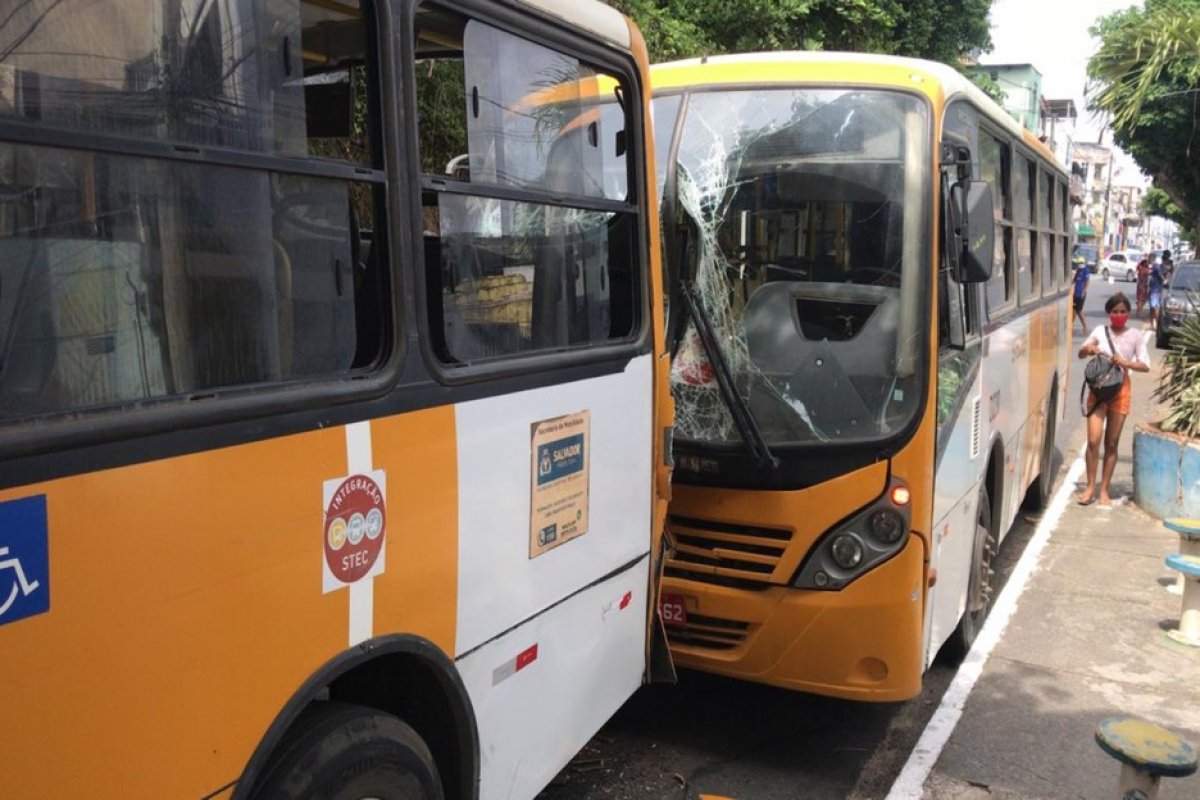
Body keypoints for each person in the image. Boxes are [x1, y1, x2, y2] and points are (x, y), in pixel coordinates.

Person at [1077, 293, 1150, 508]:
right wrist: (1089, 349)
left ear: (1128, 313)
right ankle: (1090, 486)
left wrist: (1126, 362)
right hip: (1099, 391)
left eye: (1123, 311)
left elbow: (1145, 365)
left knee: (1112, 443)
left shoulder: (1135, 335)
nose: (1119, 315)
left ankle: (1104, 490)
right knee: (1093, 440)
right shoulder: (1101, 331)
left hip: (1120, 390)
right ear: (1109, 313)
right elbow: (1082, 352)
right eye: (1115, 311)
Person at [1071, 258, 1090, 333]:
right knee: (1073, 310)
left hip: (1081, 294)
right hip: (1075, 293)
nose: (1079, 265)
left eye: (1080, 263)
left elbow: (1087, 282)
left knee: (1078, 310)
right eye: (1078, 263)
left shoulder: (1086, 270)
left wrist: (1084, 291)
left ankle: (1085, 327)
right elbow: (1074, 280)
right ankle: (1070, 327)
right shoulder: (1078, 271)